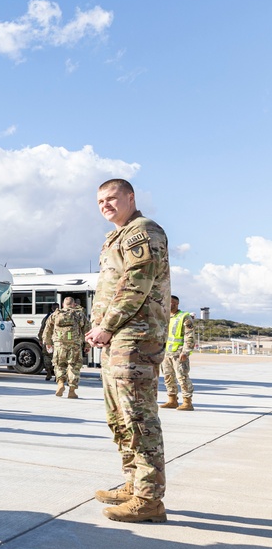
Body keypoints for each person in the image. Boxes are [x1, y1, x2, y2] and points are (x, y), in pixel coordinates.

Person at [86, 178, 170, 524]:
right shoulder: (116, 237)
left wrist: (106, 326)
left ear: (130, 197)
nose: (105, 204)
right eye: (100, 200)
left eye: (112, 198)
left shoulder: (143, 230)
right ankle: (134, 483)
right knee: (119, 418)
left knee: (139, 419)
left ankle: (149, 499)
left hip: (135, 338)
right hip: (117, 342)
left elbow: (137, 282)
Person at [42, 297, 90, 398]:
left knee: (59, 365)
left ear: (63, 305)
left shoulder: (55, 314)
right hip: (75, 346)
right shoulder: (79, 314)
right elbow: (87, 329)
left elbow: (47, 329)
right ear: (73, 304)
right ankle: (71, 391)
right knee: (74, 366)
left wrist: (48, 342)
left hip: (59, 345)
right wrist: (87, 344)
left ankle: (60, 384)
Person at [160, 296, 196, 411]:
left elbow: (189, 335)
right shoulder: (165, 317)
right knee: (168, 377)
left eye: (172, 303)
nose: (170, 305)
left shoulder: (184, 317)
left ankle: (187, 401)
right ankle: (172, 399)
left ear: (177, 303)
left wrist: (186, 351)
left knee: (182, 377)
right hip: (166, 352)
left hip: (179, 353)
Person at [37, 303, 60, 382]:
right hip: (57, 340)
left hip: (49, 340)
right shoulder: (62, 316)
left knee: (47, 357)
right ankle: (56, 375)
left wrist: (41, 338)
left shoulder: (48, 317)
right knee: (57, 358)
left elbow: (43, 329)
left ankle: (49, 373)